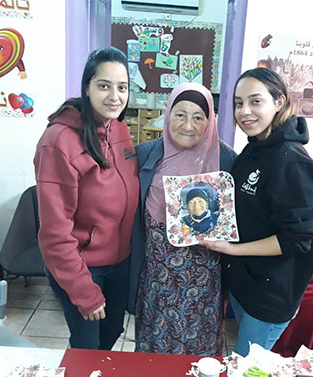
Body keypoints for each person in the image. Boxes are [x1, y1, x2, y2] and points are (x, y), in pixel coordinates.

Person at [202, 68, 313, 357]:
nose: (244, 111)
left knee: (245, 372)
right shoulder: (255, 148)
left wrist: (232, 249)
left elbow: (296, 239)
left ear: (279, 102)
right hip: (244, 284)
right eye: (238, 103)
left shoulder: (294, 163)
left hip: (269, 296)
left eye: (255, 101)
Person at [34, 47, 139, 350]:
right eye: (104, 86)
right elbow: (54, 232)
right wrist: (84, 291)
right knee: (86, 349)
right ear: (87, 87)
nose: (115, 96)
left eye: (122, 87)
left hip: (119, 263)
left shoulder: (117, 127)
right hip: (83, 267)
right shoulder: (59, 142)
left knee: (111, 333)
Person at [129, 82, 236, 356]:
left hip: (204, 290)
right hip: (156, 285)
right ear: (167, 116)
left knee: (198, 362)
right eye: (180, 115)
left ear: (210, 121)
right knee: (153, 357)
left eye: (198, 117)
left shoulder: (227, 161)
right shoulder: (145, 156)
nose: (188, 126)